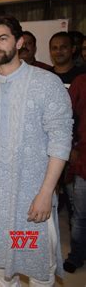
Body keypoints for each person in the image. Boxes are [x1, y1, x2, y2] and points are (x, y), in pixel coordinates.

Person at [0, 15, 73, 286]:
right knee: (1, 266)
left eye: (2, 38)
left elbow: (60, 140)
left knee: (36, 266)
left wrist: (46, 193)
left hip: (30, 200)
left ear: (19, 41)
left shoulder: (46, 83)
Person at [63, 72, 86, 273]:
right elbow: (68, 117)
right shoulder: (80, 82)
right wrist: (71, 147)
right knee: (79, 214)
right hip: (83, 159)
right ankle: (77, 256)